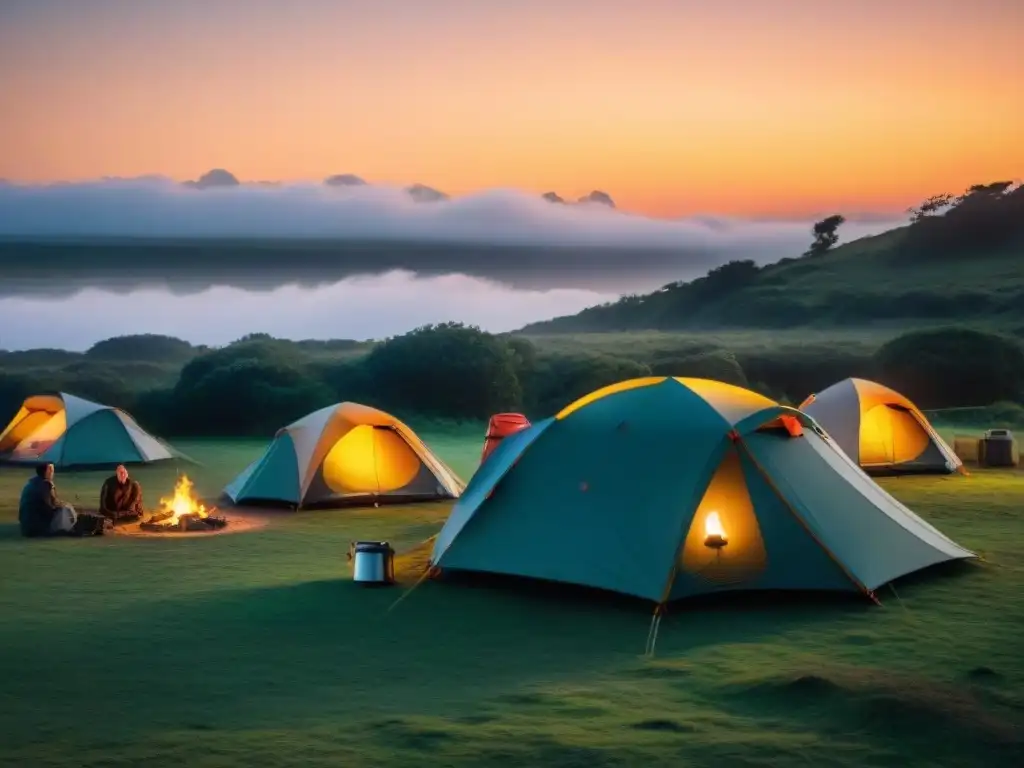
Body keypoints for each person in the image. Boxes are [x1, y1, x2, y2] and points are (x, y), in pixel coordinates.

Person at [18, 463, 77, 537]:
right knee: (66, 508)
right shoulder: (45, 484)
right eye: (51, 470)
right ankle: (66, 530)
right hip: (38, 528)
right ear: (47, 471)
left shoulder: (31, 483)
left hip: (25, 527)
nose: (53, 473)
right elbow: (50, 506)